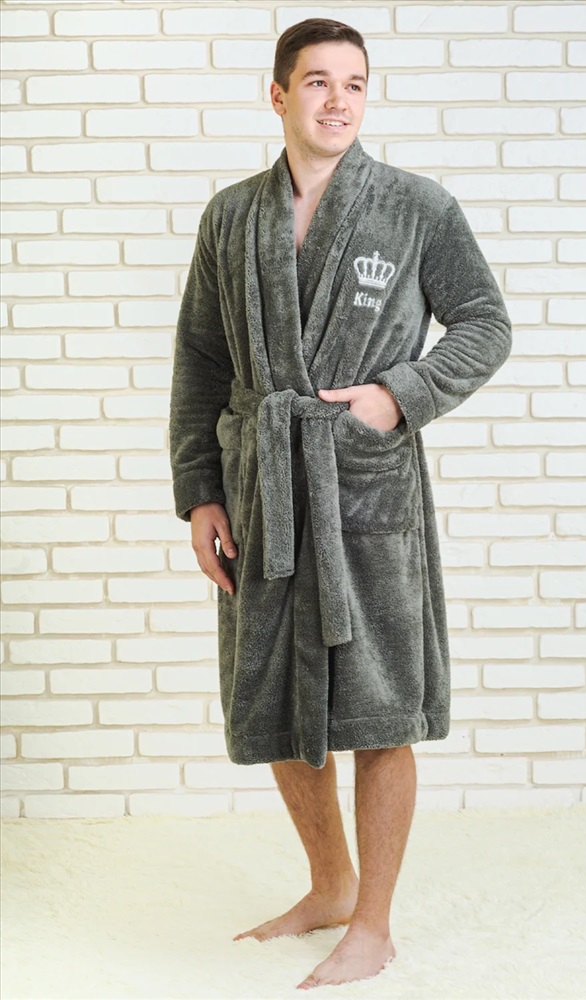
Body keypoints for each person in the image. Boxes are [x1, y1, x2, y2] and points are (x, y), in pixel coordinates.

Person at [169, 17, 512, 990]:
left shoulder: (414, 207)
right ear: (277, 94)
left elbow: (484, 323)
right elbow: (200, 360)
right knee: (277, 695)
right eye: (316, 81)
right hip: (262, 489)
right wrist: (200, 492)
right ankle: (327, 885)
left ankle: (373, 923)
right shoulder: (231, 217)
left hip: (363, 484)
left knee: (378, 708)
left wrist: (398, 395)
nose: (336, 100)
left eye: (353, 83)